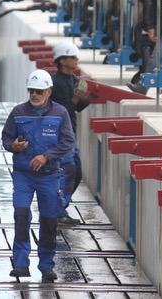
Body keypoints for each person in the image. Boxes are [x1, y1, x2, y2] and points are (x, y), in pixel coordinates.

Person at [1, 69, 74, 282]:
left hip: (50, 175)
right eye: (31, 91)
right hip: (23, 175)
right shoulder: (17, 112)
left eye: (39, 91)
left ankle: (46, 265)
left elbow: (67, 142)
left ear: (49, 92)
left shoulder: (60, 113)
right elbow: (6, 138)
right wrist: (13, 145)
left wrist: (46, 156)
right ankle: (21, 264)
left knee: (49, 220)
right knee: (21, 215)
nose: (34, 95)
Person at [50, 42, 98, 225]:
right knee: (68, 170)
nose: (77, 60)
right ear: (63, 61)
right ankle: (58, 211)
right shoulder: (57, 82)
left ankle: (60, 207)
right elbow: (62, 110)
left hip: (70, 132)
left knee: (76, 172)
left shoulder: (72, 79)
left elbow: (75, 108)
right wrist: (77, 96)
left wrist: (88, 99)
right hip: (61, 133)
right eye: (73, 57)